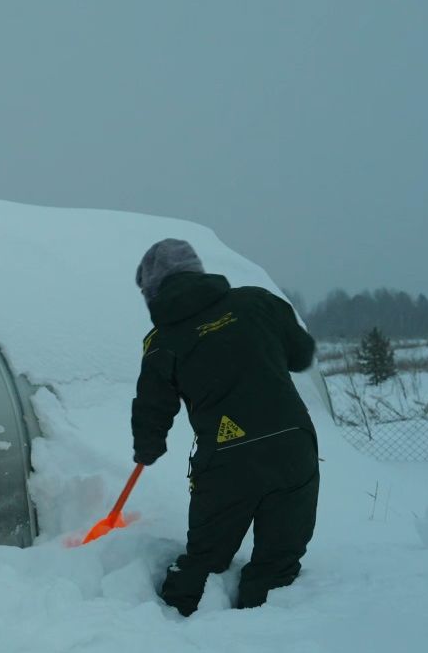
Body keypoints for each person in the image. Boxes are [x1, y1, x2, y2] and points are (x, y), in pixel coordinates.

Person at [130, 239, 319, 615]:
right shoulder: (257, 302)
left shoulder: (162, 341)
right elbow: (300, 354)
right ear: (198, 272)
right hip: (292, 446)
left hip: (227, 459)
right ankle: (265, 636)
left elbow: (152, 408)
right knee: (278, 562)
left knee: (203, 561)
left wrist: (147, 448)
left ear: (154, 293)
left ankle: (166, 632)